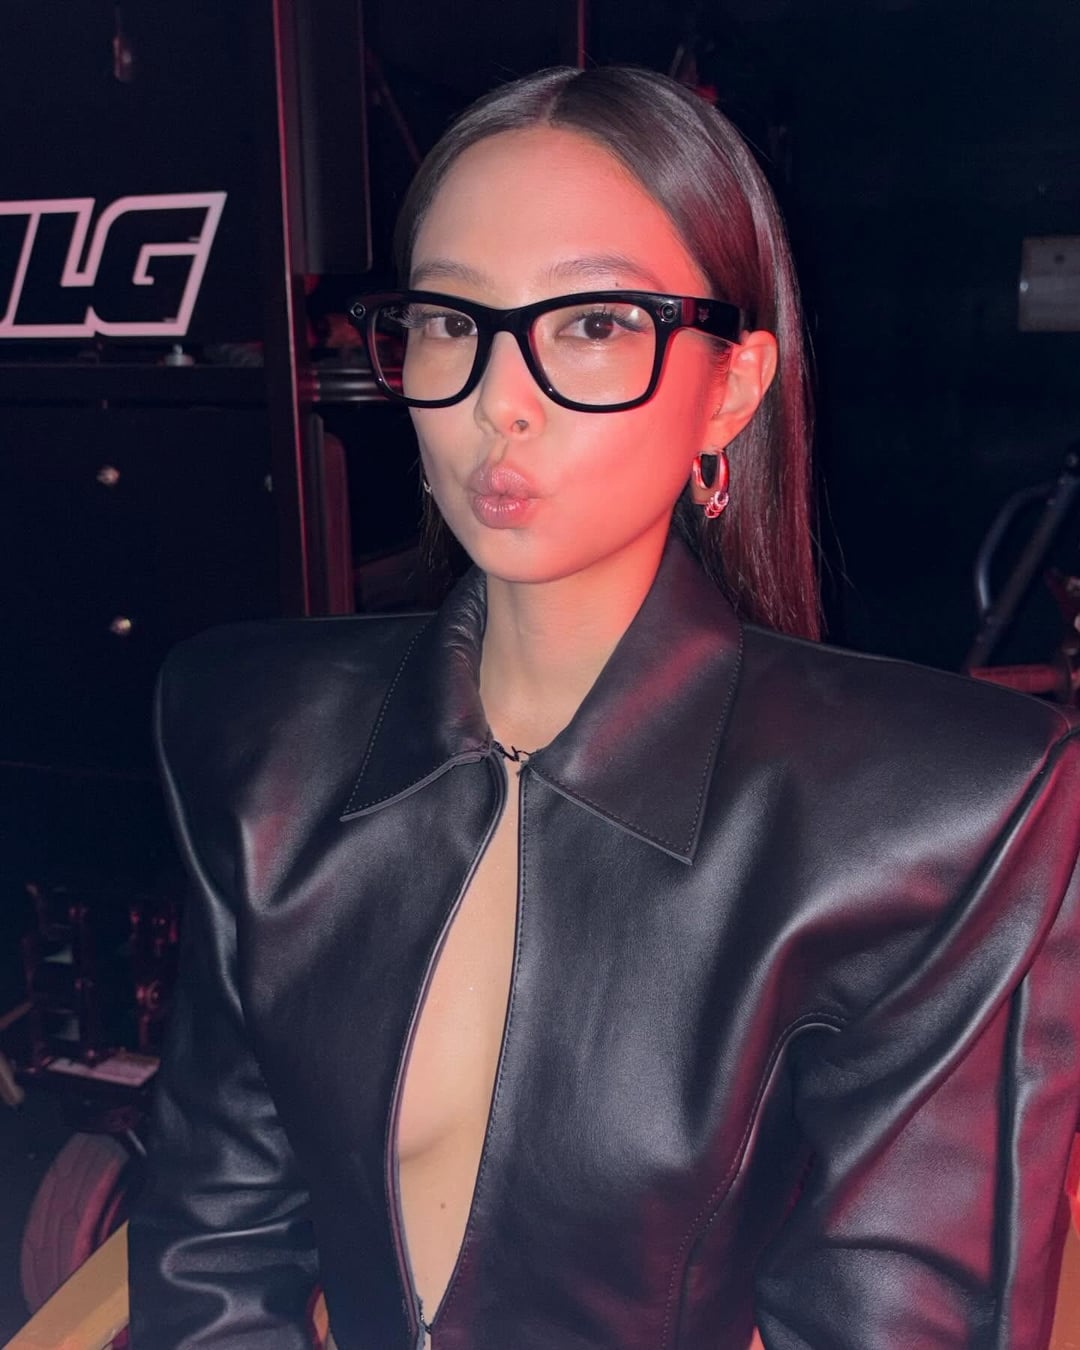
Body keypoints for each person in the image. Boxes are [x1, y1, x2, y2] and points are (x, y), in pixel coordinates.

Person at [128, 65, 1080, 1349]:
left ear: (731, 388)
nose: (496, 401)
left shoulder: (938, 820)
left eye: (592, 322)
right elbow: (211, 1247)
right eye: (450, 320)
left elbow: (904, 1319)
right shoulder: (260, 735)